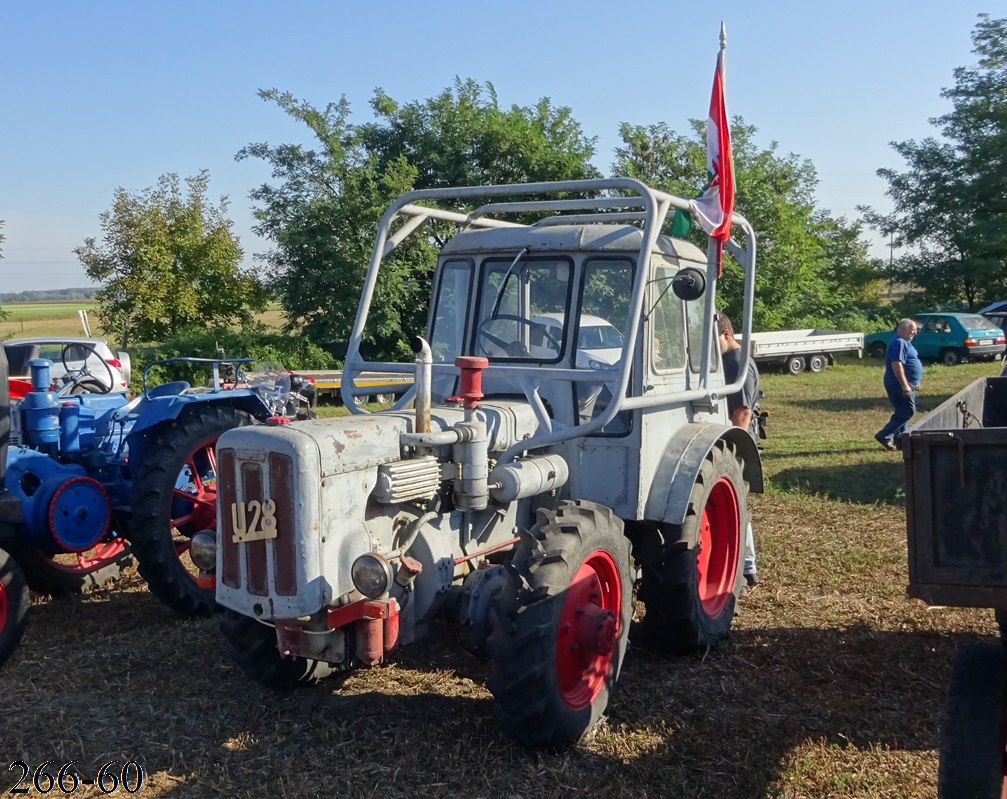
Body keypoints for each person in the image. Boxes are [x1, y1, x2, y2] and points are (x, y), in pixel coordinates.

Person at [717, 312, 760, 587]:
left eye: (713, 341)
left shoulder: (735, 363)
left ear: (726, 334)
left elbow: (742, 412)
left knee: (733, 502)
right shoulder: (729, 359)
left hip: (737, 436)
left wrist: (731, 450)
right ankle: (747, 566)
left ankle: (746, 565)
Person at [875, 318, 922, 451]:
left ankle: (901, 441)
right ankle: (884, 435)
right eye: (913, 330)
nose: (915, 333)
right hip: (898, 384)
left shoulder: (904, 342)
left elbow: (909, 363)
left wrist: (915, 381)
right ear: (902, 329)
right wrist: (905, 385)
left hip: (906, 383)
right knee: (907, 411)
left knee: (902, 411)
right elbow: (897, 364)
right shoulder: (899, 343)